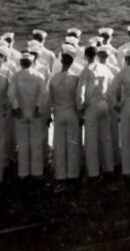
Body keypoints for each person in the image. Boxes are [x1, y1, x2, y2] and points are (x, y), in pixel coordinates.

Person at [9, 52, 47, 178]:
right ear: (32, 63)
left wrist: (16, 107)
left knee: (23, 143)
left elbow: (10, 94)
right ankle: (37, 172)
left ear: (21, 63)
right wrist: (37, 107)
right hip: (34, 113)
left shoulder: (16, 76)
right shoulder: (38, 76)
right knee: (36, 143)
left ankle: (23, 172)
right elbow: (43, 94)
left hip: (22, 112)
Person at [79, 46, 116, 177]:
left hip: (92, 106)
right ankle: (109, 168)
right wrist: (111, 104)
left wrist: (80, 107)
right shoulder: (105, 68)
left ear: (87, 56)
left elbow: (80, 92)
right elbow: (112, 86)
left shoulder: (86, 70)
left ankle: (93, 172)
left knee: (91, 140)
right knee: (105, 138)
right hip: (104, 104)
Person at [48, 48, 82, 181]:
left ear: (61, 61)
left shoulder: (54, 79)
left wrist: (48, 115)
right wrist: (80, 114)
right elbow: (78, 98)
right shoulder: (75, 79)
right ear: (72, 62)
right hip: (72, 113)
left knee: (59, 144)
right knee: (72, 144)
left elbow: (49, 100)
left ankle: (60, 174)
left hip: (59, 114)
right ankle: (73, 173)